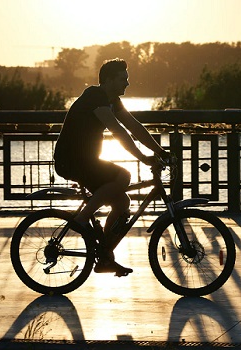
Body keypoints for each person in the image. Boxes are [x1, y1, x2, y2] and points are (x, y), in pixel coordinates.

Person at [54, 58, 169, 276]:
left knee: (122, 204)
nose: (127, 83)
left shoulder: (112, 100)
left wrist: (160, 152)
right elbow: (118, 131)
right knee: (122, 176)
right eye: (123, 79)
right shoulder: (95, 97)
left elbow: (134, 126)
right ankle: (81, 219)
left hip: (86, 161)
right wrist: (143, 158)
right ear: (108, 80)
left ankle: (105, 258)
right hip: (71, 160)